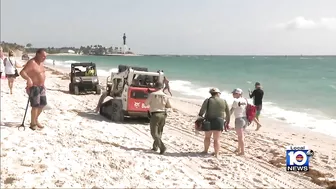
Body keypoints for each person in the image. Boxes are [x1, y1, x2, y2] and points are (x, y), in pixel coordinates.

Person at [20, 49, 47, 130]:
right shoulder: (32, 62)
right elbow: (22, 72)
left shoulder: (41, 63)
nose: (44, 58)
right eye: (43, 56)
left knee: (42, 104)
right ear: (37, 54)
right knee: (35, 105)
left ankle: (35, 119)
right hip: (34, 87)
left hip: (41, 87)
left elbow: (41, 73)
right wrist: (28, 79)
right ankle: (33, 124)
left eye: (45, 56)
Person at [198, 88, 230, 157]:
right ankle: (216, 153)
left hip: (208, 120)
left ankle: (205, 151)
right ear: (218, 93)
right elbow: (228, 112)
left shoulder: (208, 100)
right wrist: (227, 121)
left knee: (207, 137)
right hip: (219, 121)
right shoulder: (224, 101)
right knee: (217, 139)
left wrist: (200, 117)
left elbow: (202, 110)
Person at [145, 82, 175, 154]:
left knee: (154, 133)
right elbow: (169, 106)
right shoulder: (165, 95)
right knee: (159, 131)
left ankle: (162, 147)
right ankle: (155, 146)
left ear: (155, 87)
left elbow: (146, 103)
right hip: (163, 114)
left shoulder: (152, 95)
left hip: (155, 114)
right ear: (162, 87)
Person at [230, 88, 248, 156]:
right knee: (240, 135)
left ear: (238, 94)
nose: (233, 94)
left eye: (234, 93)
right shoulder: (245, 100)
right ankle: (238, 149)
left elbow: (231, 110)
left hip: (239, 119)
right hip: (245, 119)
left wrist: (227, 118)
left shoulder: (236, 101)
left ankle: (242, 152)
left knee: (240, 136)